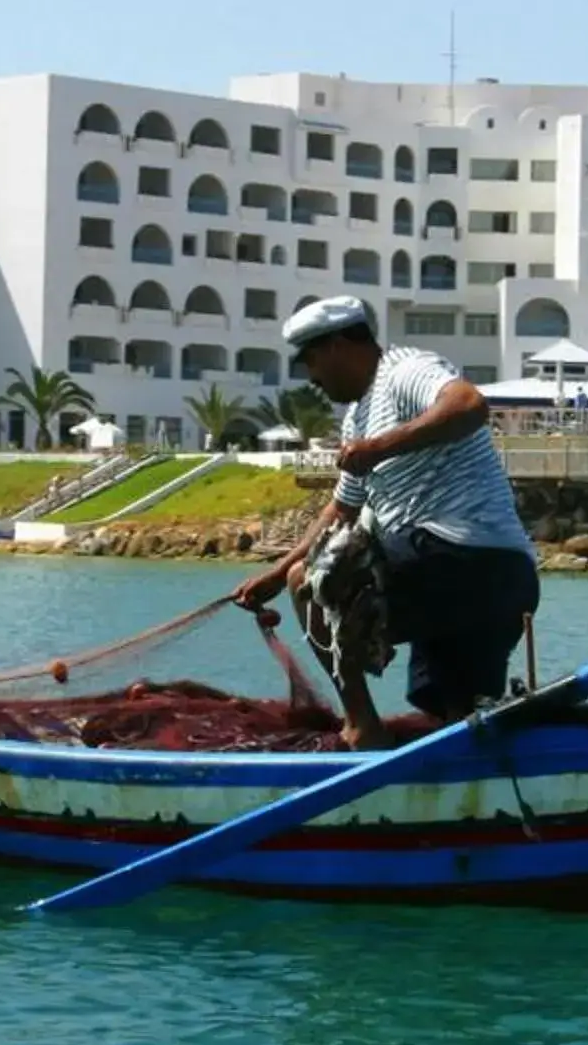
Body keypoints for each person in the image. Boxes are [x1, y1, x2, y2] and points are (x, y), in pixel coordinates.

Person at [231, 296, 539, 747]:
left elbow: (468, 403)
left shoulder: (404, 371)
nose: (311, 377)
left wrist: (381, 447)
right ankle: (466, 809)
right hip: (487, 580)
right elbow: (342, 510)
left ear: (338, 345)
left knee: (310, 581)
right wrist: (275, 573)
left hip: (464, 560)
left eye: (311, 361)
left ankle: (361, 726)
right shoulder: (358, 417)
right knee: (457, 722)